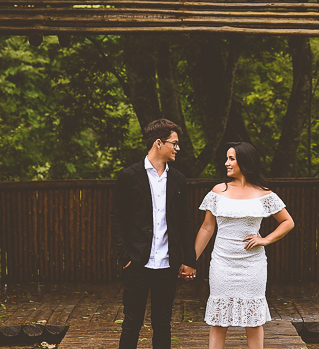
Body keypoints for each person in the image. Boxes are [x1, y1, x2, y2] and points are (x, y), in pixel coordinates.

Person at [194, 142, 295, 349]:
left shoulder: (264, 194)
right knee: (219, 320)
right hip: (222, 263)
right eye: (227, 158)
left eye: (231, 159)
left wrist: (265, 239)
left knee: (254, 320)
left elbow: (288, 222)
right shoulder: (218, 191)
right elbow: (206, 228)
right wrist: (189, 260)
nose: (226, 163)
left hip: (252, 266)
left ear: (245, 162)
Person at [111, 119, 198, 349]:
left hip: (167, 265)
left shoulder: (178, 179)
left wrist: (189, 259)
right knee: (132, 322)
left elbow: (185, 221)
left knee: (162, 323)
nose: (177, 148)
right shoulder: (129, 176)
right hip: (137, 262)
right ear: (159, 143)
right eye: (174, 143)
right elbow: (117, 217)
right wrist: (125, 257)